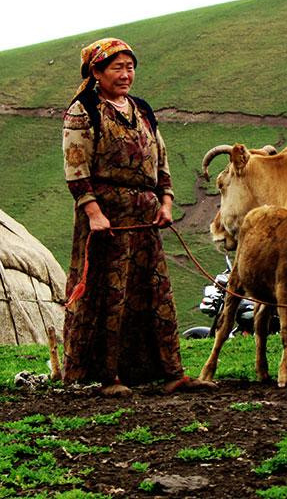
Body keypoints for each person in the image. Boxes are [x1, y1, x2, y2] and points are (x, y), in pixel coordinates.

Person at [62, 37, 215, 397]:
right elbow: (75, 165)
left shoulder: (142, 109)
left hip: (146, 215)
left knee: (156, 291)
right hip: (108, 217)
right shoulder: (83, 110)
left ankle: (172, 372)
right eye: (117, 67)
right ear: (96, 72)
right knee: (110, 294)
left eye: (130, 67)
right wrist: (94, 211)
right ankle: (109, 376)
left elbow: (160, 158)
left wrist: (166, 201)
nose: (126, 74)